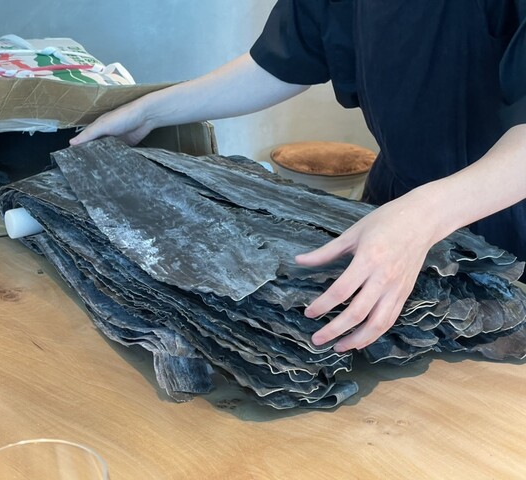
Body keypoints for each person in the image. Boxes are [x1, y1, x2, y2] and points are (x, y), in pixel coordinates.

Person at [70, 0, 526, 354]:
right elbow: (283, 60)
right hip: (395, 205)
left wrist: (423, 217)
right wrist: (151, 111)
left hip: (506, 219)